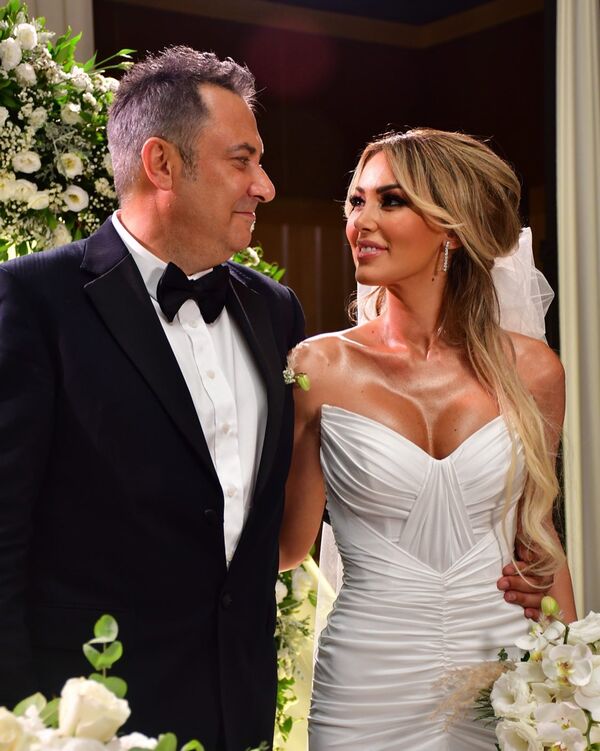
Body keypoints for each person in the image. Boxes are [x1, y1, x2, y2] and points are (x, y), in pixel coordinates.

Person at [0, 47, 305, 751]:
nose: (264, 186)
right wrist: (21, 724)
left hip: (241, 713)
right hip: (89, 719)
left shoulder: (276, 311)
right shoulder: (32, 300)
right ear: (162, 163)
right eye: (242, 160)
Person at [279, 128, 576, 750]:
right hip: (366, 682)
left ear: (452, 229)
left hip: (502, 670)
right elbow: (285, 547)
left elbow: (539, 552)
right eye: (356, 201)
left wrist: (571, 693)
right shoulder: (318, 368)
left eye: (390, 201)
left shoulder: (534, 372)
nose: (361, 221)